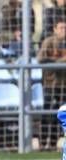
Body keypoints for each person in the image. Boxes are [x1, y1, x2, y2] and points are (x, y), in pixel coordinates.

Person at [37, 19, 66, 152]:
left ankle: (54, 142)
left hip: (63, 85)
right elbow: (41, 59)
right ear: (55, 29)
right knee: (47, 113)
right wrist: (60, 61)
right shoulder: (48, 42)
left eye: (65, 28)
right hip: (50, 84)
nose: (63, 30)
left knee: (60, 115)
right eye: (61, 28)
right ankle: (43, 142)